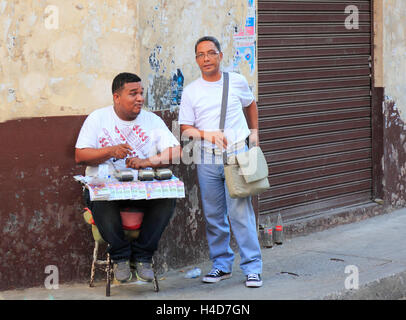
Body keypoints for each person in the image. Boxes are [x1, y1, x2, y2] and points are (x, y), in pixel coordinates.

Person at [75, 72, 181, 283]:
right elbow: (80, 155)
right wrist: (110, 151)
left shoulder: (152, 120)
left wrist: (146, 162)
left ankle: (143, 256)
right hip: (106, 192)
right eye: (133, 93)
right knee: (102, 200)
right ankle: (121, 257)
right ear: (116, 97)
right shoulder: (98, 118)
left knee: (168, 199)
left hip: (142, 193)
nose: (140, 98)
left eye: (141, 93)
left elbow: (176, 152)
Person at [179, 36, 263, 287]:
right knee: (214, 215)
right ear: (196, 59)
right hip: (206, 159)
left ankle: (252, 267)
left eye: (211, 53)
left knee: (240, 213)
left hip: (236, 156)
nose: (206, 58)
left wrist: (254, 133)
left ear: (220, 56)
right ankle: (222, 264)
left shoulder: (236, 81)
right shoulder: (191, 91)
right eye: (201, 55)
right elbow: (185, 129)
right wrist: (207, 135)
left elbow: (250, 105)